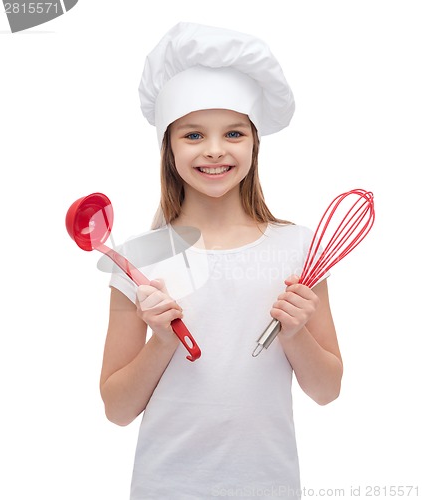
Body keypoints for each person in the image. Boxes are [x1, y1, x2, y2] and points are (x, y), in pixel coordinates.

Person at [99, 22, 343, 499]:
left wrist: (294, 334)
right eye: (193, 134)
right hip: (165, 486)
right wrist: (162, 341)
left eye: (233, 132)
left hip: (269, 486)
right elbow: (117, 408)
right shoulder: (137, 258)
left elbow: (327, 390)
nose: (214, 149)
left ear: (254, 143)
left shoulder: (300, 250)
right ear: (168, 147)